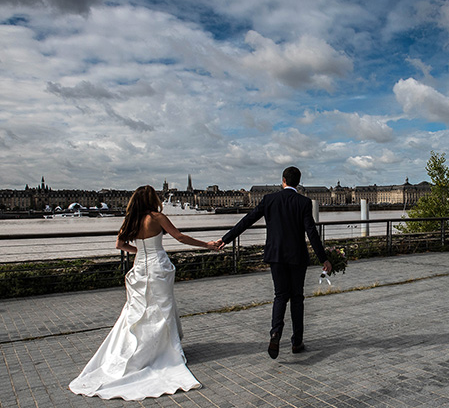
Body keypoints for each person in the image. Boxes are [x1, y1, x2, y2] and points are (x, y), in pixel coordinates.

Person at [69, 185, 218, 401]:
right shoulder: (157, 217)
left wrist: (137, 251)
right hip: (157, 267)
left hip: (140, 267)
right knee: (162, 309)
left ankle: (135, 353)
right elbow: (180, 237)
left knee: (137, 311)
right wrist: (208, 245)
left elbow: (120, 244)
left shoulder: (131, 219)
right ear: (152, 199)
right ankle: (163, 352)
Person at [215, 166, 331, 359]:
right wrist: (323, 258)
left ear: (283, 180)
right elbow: (311, 232)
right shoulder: (303, 202)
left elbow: (247, 220)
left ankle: (275, 333)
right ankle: (297, 342)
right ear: (298, 182)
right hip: (297, 257)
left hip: (275, 256)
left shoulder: (269, 200)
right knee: (297, 298)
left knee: (280, 296)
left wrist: (225, 239)